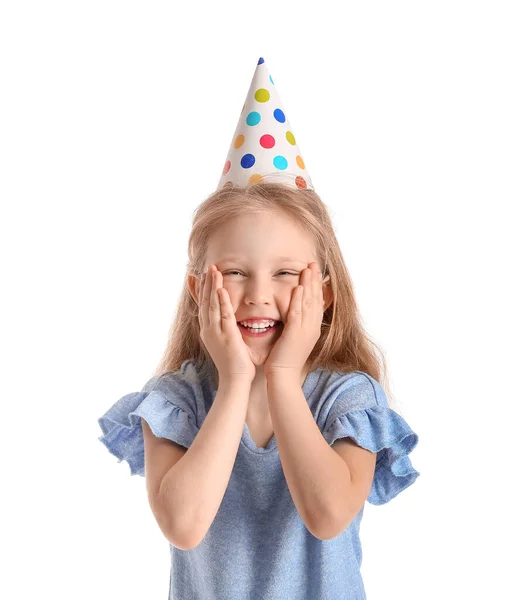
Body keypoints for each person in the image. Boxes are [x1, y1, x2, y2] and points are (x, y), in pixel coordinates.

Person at [97, 57, 420, 600]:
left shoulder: (348, 400)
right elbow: (184, 524)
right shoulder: (176, 402)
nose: (259, 294)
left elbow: (328, 515)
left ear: (324, 294)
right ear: (200, 292)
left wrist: (284, 375)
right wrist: (232, 384)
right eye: (236, 273)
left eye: (287, 273)